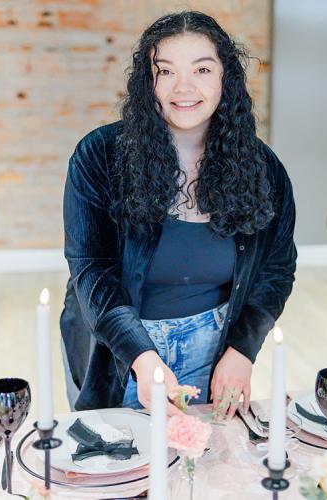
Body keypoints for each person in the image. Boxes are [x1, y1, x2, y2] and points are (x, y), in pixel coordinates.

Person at [59, 11, 296, 418]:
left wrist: (242, 350)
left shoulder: (263, 167)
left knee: (201, 469)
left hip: (215, 343)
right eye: (165, 71)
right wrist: (142, 357)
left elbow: (276, 269)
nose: (183, 87)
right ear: (146, 82)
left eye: (202, 69)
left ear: (226, 78)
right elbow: (91, 271)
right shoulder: (99, 155)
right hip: (117, 348)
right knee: (120, 469)